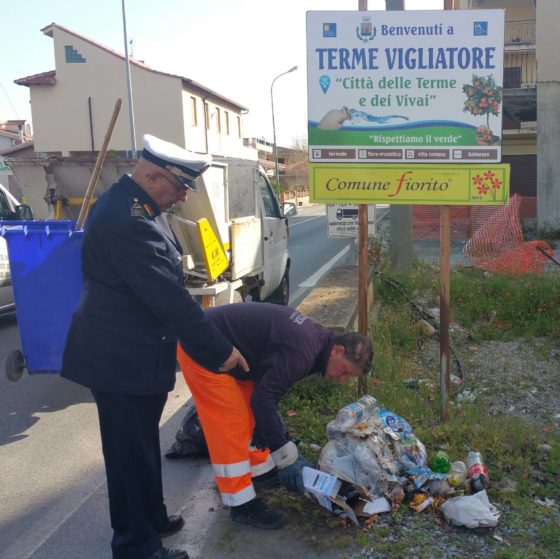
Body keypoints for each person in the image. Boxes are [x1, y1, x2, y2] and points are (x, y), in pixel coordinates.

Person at [61, 134, 248, 559]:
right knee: (127, 456)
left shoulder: (143, 206)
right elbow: (168, 299)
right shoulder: (128, 221)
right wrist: (221, 352)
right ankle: (135, 546)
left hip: (135, 355)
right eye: (178, 187)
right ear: (150, 175)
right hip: (118, 360)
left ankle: (152, 516)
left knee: (143, 445)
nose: (182, 197)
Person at [176, 302, 373, 530]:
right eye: (345, 372)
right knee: (232, 421)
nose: (341, 380)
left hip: (233, 353)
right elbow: (265, 400)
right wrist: (285, 456)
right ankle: (240, 502)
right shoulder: (303, 351)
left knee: (254, 414)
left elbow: (269, 381)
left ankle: (259, 471)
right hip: (203, 347)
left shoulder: (317, 344)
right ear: (337, 351)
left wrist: (266, 427)